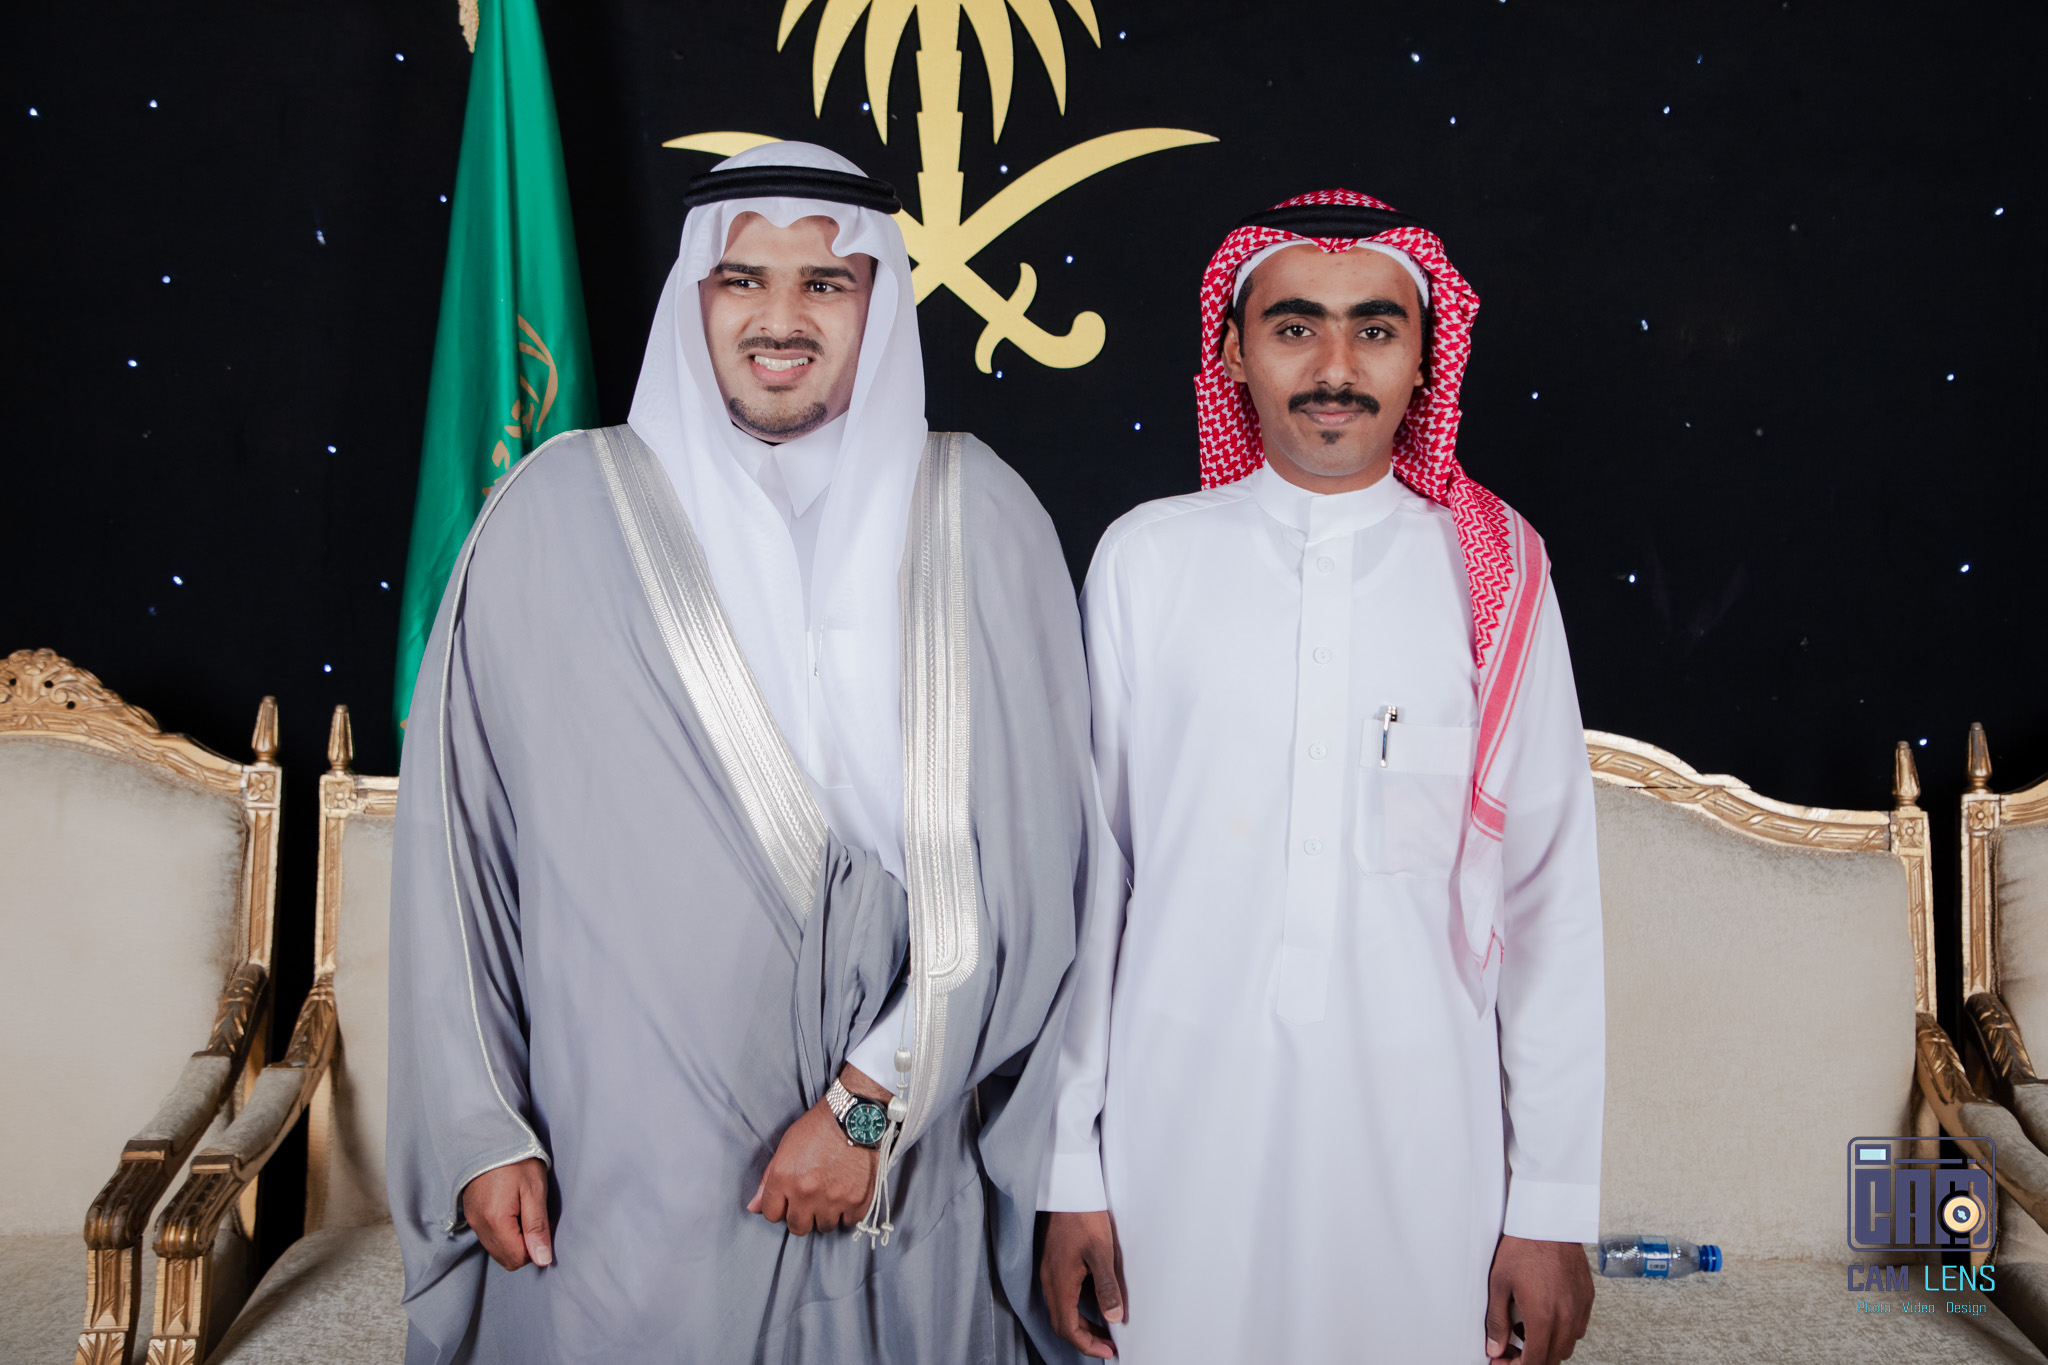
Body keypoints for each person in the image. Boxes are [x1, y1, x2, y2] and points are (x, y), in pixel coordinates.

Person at [386, 142, 1101, 1364]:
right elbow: (460, 853)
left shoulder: (977, 516)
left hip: (891, 1171)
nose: (780, 318)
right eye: (742, 280)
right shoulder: (550, 515)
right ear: (693, 297)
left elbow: (1034, 876)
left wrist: (869, 1111)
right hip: (617, 1179)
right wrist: (481, 1126)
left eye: (824, 283)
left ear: (878, 300)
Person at [1037, 190, 1607, 1364]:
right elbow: (1090, 890)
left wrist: (1549, 1205)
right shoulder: (1146, 561)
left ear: (1423, 361)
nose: (1334, 368)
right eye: (1293, 327)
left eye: (1373, 331)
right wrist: (1068, 1172)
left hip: (1421, 1138)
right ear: (1232, 353)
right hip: (1173, 1128)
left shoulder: (1493, 575)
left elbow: (1547, 904)